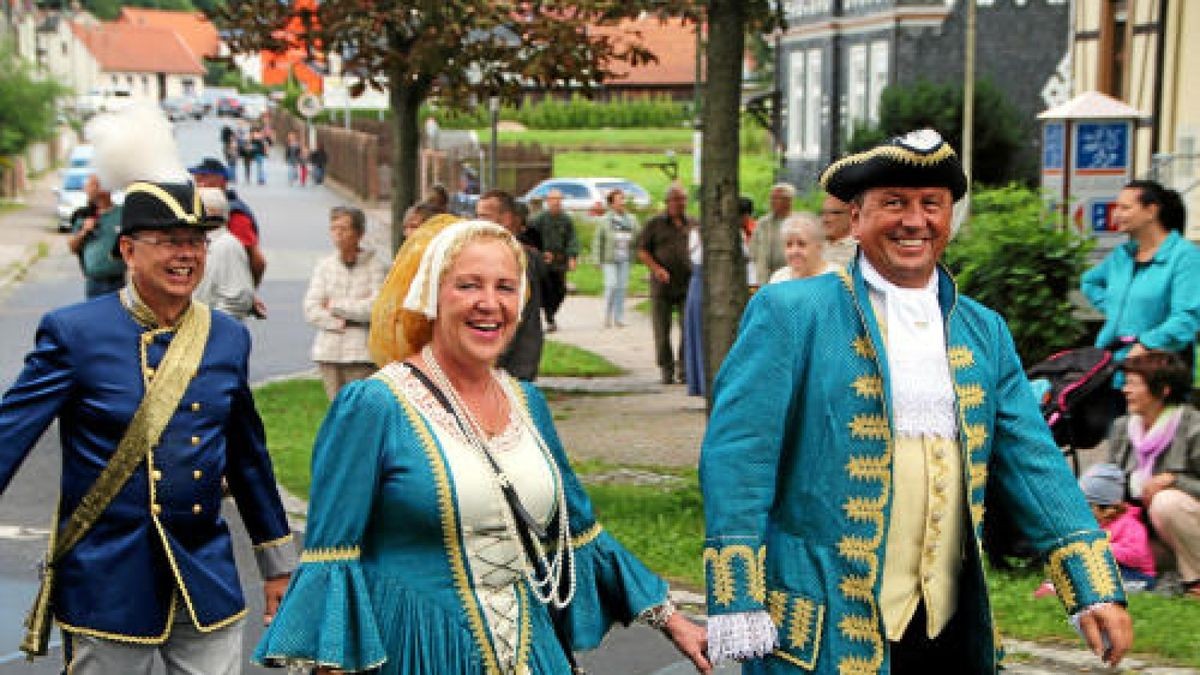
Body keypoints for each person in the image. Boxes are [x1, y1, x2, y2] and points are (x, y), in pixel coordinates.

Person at [700, 129, 1132, 673]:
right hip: (825, 625)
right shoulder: (792, 312)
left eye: (932, 204)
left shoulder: (983, 331)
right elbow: (740, 453)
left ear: (950, 217)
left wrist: (1093, 586)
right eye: (894, 204)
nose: (914, 220)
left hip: (946, 630)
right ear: (855, 219)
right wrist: (737, 592)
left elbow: (1035, 461)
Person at [253, 219, 711, 674]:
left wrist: (672, 620)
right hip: (418, 649)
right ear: (431, 295)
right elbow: (332, 557)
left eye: (506, 288)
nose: (489, 304)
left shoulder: (526, 402)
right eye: (468, 285)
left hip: (531, 652)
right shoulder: (374, 406)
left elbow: (578, 533)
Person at [0, 178, 296, 674]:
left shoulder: (225, 337)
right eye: (169, 242)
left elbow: (248, 457)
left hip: (205, 574)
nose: (187, 255)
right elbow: (9, 434)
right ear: (128, 250)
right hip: (108, 579)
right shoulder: (74, 332)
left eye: (196, 242)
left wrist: (278, 564)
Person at [1081, 180, 1200, 375]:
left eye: (1125, 208)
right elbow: (1089, 282)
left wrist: (1146, 343)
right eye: (1116, 207)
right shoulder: (1122, 255)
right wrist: (1116, 305)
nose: (1116, 215)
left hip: (1156, 375)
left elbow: (1187, 318)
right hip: (1111, 367)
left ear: (1151, 211)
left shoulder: (1184, 256)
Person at [1107, 350, 1200, 599]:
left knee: (1166, 502)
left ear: (1163, 390)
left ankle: (1196, 581)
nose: (1125, 390)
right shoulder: (1122, 428)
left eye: (1133, 384)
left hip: (1188, 524)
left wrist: (1175, 480)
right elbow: (1111, 481)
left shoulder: (1193, 426)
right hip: (1148, 531)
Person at [303, 206, 388, 399]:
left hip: (362, 354)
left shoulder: (376, 266)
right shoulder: (324, 266)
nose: (338, 234)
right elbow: (311, 308)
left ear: (359, 233)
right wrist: (340, 322)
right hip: (328, 352)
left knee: (361, 410)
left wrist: (334, 305)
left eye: (344, 228)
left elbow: (375, 308)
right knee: (336, 411)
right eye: (334, 228)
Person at [477, 190, 545, 382]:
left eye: (484, 216)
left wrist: (494, 356)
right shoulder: (504, 255)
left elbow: (514, 313)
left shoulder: (515, 258)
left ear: (506, 219)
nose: (478, 223)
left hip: (514, 362)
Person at [189, 157, 268, 315]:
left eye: (203, 177)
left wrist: (248, 290)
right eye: (197, 178)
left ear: (221, 181)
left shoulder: (235, 215)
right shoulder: (214, 207)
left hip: (219, 306)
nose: (198, 183)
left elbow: (257, 260)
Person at [638, 186, 695, 385]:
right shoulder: (655, 224)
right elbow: (643, 251)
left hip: (687, 283)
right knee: (661, 329)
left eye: (683, 199)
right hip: (662, 285)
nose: (680, 204)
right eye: (676, 200)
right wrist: (656, 269)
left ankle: (685, 368)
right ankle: (666, 368)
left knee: (687, 327)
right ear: (667, 202)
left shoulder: (693, 224)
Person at [193, 187, 256, 320]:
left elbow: (239, 298)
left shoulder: (227, 245)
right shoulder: (205, 243)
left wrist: (209, 326)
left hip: (211, 331)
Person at [67, 173, 126, 298]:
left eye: (92, 184)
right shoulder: (83, 214)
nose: (86, 188)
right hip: (95, 283)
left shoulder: (122, 214)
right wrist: (84, 231)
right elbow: (72, 247)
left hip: (121, 282)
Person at [529, 189, 580, 332]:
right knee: (547, 290)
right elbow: (531, 238)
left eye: (559, 199)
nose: (556, 202)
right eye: (553, 199)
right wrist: (540, 253)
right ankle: (550, 318)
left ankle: (550, 312)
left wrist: (572, 256)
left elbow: (572, 239)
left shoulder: (566, 219)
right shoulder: (540, 219)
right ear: (548, 201)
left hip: (559, 262)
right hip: (544, 262)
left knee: (561, 290)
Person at [595, 188, 640, 328]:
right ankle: (606, 316)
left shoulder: (631, 219)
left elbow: (639, 235)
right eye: (618, 199)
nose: (622, 202)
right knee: (611, 286)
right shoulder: (604, 220)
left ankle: (619, 318)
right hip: (610, 258)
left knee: (622, 288)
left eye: (622, 199)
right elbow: (598, 240)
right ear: (612, 204)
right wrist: (597, 259)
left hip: (625, 258)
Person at [767, 212, 840, 284]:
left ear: (819, 246)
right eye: (789, 245)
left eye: (801, 244)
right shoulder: (779, 278)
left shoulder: (836, 278)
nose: (794, 251)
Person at [749, 182, 795, 285]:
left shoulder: (798, 223)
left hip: (790, 278)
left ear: (788, 201)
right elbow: (753, 249)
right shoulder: (762, 224)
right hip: (765, 278)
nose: (773, 201)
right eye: (772, 198)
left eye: (778, 198)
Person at [821, 193, 857, 268]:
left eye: (834, 213)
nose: (825, 219)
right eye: (823, 213)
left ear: (851, 215)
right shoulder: (813, 245)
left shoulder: (861, 251)